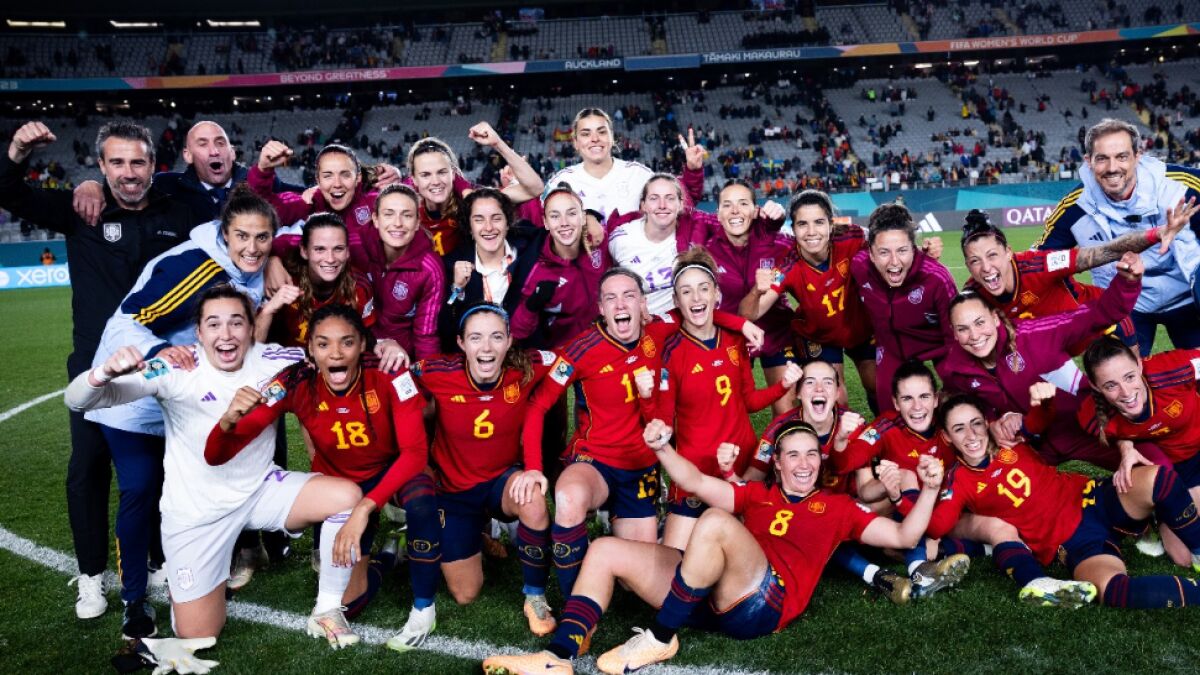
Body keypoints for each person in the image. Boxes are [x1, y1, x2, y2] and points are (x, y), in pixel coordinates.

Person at [481, 421, 946, 675]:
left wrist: (927, 490)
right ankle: (558, 657)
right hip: (709, 596)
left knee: (717, 522)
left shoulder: (838, 507)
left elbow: (905, 538)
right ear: (778, 464)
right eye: (793, 455)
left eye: (811, 454)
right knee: (604, 550)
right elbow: (696, 481)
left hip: (764, 603)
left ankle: (659, 637)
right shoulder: (758, 494)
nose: (803, 463)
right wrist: (662, 448)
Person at [64, 286, 364, 651]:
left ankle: (327, 609)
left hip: (260, 491)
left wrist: (388, 348)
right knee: (198, 635)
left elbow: (337, 356)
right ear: (199, 332)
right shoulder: (176, 367)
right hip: (196, 513)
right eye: (214, 324)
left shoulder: (276, 359)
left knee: (346, 497)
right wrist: (104, 372)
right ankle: (204, 582)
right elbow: (77, 401)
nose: (226, 334)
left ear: (252, 328)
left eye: (236, 323)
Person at [0, 120, 200, 624]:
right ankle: (91, 574)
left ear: (153, 165)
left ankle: (157, 558)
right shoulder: (80, 207)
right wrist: (19, 149)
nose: (128, 173)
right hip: (95, 370)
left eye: (138, 162)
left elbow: (222, 204)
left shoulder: (178, 210)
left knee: (158, 468)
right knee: (87, 467)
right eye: (117, 163)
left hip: (160, 367)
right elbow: (8, 192)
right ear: (101, 166)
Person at [84, 186, 278, 637]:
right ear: (224, 234)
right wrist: (159, 351)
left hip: (185, 403)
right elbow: (124, 321)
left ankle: (192, 573)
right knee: (140, 487)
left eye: (263, 238)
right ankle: (134, 600)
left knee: (194, 488)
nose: (253, 247)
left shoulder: (253, 262)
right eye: (242, 237)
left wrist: (277, 258)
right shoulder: (195, 267)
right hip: (137, 399)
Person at [205, 303, 440, 651]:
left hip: (392, 474)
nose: (336, 353)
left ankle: (423, 608)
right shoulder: (294, 380)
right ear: (311, 350)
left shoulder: (390, 372)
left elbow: (415, 454)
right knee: (349, 604)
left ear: (363, 344)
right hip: (342, 491)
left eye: (347, 342)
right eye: (323, 344)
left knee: (421, 502)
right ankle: (390, 556)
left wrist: (365, 508)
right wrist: (227, 421)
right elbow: (216, 455)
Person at [517, 267, 762, 597]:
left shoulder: (658, 331)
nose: (620, 305)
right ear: (601, 308)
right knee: (569, 497)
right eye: (611, 298)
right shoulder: (580, 350)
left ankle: (622, 538)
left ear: (643, 305)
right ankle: (574, 599)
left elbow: (695, 311)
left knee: (636, 580)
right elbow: (538, 406)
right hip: (595, 461)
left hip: (641, 468)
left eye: (629, 296)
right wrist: (533, 467)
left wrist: (742, 324)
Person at [926, 392, 1200, 609]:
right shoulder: (958, 481)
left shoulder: (1007, 439)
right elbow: (938, 526)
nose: (971, 435)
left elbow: (1039, 421)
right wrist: (931, 488)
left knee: (1159, 479)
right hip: (1071, 540)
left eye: (975, 423)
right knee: (1114, 590)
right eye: (959, 429)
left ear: (986, 423)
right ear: (947, 437)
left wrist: (1044, 401)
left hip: (1092, 498)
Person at [412, 303, 557, 637]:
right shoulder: (436, 371)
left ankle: (535, 596)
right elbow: (394, 377)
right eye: (476, 338)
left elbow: (572, 358)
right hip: (454, 491)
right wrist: (388, 349)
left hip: (501, 481)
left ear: (509, 341)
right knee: (465, 594)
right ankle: (477, 534)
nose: (487, 347)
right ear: (461, 343)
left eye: (496, 337)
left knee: (533, 499)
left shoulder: (527, 366)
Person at [938, 252, 1147, 470]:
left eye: (980, 322)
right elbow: (971, 403)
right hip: (1030, 441)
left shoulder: (1035, 334)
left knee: (1149, 466)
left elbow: (1098, 315)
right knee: (995, 483)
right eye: (963, 329)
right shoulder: (954, 368)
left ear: (995, 318)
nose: (974, 335)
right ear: (954, 333)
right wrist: (994, 421)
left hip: (1084, 425)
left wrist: (1128, 282)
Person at [655, 248, 800, 548]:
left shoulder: (734, 339)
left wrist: (783, 386)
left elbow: (750, 402)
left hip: (742, 465)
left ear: (716, 295)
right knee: (676, 557)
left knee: (755, 548)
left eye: (703, 289)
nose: (696, 298)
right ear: (676, 301)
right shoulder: (670, 351)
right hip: (695, 471)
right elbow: (665, 422)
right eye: (686, 291)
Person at [1036, 118, 1200, 352]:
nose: (1112, 168)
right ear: (1088, 161)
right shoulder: (1075, 206)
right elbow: (1038, 262)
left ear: (1138, 156)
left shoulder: (1182, 185)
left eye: (1122, 156)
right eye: (1102, 158)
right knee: (1119, 373)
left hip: (1187, 297)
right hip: (1126, 304)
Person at [961, 207, 1187, 354]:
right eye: (975, 261)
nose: (986, 268)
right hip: (1054, 349)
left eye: (992, 255)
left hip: (1103, 325)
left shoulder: (1039, 264)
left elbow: (1106, 251)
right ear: (968, 265)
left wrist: (1156, 234)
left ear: (1008, 252)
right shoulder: (972, 295)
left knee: (1128, 384)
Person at [741, 190, 876, 411]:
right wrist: (757, 290)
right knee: (836, 397)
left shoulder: (852, 236)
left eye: (819, 222)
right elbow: (750, 314)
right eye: (802, 224)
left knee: (876, 384)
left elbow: (887, 240)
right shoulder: (787, 265)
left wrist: (923, 252)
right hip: (818, 335)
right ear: (793, 229)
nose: (811, 232)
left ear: (831, 224)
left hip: (860, 327)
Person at [1078, 338, 1200, 566]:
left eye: (1129, 377)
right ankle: (1157, 507)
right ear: (1095, 386)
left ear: (1140, 365)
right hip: (1176, 469)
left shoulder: (1173, 369)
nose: (1126, 392)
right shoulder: (1091, 416)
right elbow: (1116, 433)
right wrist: (1126, 448)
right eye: (1111, 386)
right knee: (1183, 558)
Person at [72, 120, 305, 225]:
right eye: (203, 144)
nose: (214, 151)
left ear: (232, 152)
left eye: (220, 143)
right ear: (187, 155)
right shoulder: (167, 187)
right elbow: (128, 186)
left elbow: (311, 197)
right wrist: (93, 186)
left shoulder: (263, 185)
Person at [851, 203, 955, 412]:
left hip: (939, 345)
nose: (894, 261)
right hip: (891, 347)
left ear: (914, 249)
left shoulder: (937, 278)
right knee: (888, 409)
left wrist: (954, 383)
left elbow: (955, 337)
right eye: (884, 252)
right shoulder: (859, 266)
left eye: (902, 250)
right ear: (870, 253)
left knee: (958, 401)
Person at [703, 180, 794, 416]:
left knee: (785, 409)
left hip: (776, 332)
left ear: (756, 211)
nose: (735, 211)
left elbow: (811, 255)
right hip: (731, 335)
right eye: (727, 205)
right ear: (718, 214)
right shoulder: (706, 253)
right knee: (727, 409)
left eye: (743, 203)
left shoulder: (779, 244)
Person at [405, 123, 544, 257]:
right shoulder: (407, 213)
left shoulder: (475, 202)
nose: (435, 181)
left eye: (442, 172)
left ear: (453, 174)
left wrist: (498, 144)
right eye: (425, 175)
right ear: (414, 179)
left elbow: (535, 189)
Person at [543, 110, 704, 225]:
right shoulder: (561, 181)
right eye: (586, 134)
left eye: (602, 132)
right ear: (575, 143)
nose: (595, 138)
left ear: (612, 138)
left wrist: (693, 171)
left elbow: (682, 202)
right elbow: (542, 224)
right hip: (585, 262)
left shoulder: (638, 174)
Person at [440, 188, 546, 349]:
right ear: (469, 227)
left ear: (507, 223)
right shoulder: (451, 265)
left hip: (526, 352)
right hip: (479, 356)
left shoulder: (529, 250)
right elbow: (446, 330)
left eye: (496, 218)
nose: (488, 227)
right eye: (479, 220)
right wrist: (457, 289)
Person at [605, 174, 720, 314]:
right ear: (643, 205)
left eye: (670, 198)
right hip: (639, 322)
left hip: (685, 319)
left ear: (680, 204)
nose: (662, 205)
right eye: (654, 198)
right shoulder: (620, 239)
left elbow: (730, 222)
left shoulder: (695, 229)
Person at [359, 183, 445, 363]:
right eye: (388, 214)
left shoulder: (428, 269)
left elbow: (426, 334)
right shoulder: (362, 246)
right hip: (361, 345)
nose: (397, 223)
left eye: (407, 215)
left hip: (399, 358)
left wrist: (426, 374)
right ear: (375, 219)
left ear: (417, 222)